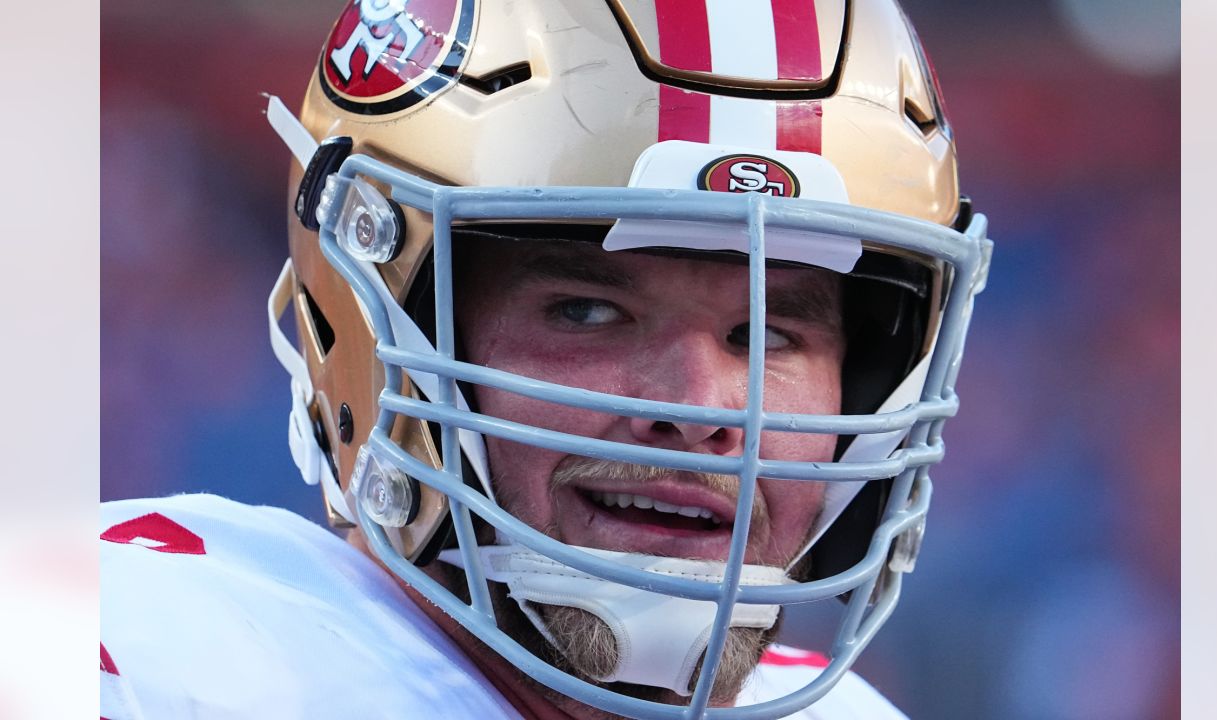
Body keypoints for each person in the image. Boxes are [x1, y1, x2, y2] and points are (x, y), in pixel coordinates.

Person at [100, 1, 993, 718]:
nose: (704, 409)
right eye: (590, 311)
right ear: (386, 337)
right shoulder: (134, 654)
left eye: (766, 336)